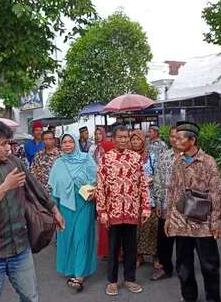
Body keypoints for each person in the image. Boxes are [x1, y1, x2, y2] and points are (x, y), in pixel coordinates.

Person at [0, 120, 66, 302]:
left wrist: (54, 210)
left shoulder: (14, 162)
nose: (8, 148)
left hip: (20, 248)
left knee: (30, 297)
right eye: (3, 144)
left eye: (8, 142)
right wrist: (5, 187)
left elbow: (34, 186)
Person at [165, 123, 221, 302]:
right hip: (181, 222)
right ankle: (189, 297)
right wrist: (169, 218)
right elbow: (173, 190)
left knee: (209, 266)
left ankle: (213, 299)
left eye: (182, 137)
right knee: (183, 266)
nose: (177, 140)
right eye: (176, 137)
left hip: (203, 222)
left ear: (193, 140)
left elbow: (217, 193)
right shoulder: (178, 162)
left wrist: (216, 222)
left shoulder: (208, 162)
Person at [96, 125, 151, 296]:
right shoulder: (106, 159)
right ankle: (112, 281)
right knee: (113, 249)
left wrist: (146, 207)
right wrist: (102, 211)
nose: (123, 140)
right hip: (113, 213)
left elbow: (142, 184)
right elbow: (100, 187)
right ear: (113, 139)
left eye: (126, 137)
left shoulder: (136, 158)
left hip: (132, 211)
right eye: (119, 137)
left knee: (131, 248)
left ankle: (130, 279)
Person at [49, 133, 98, 292]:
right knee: (67, 237)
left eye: (71, 142)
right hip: (65, 206)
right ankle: (70, 267)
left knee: (81, 238)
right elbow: (53, 189)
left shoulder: (86, 159)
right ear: (61, 145)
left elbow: (98, 178)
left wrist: (95, 191)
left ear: (76, 143)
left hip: (84, 203)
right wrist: (55, 211)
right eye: (65, 142)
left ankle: (79, 275)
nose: (68, 145)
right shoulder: (58, 163)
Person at [151, 126, 179, 281]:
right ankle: (165, 268)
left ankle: (184, 268)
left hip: (183, 207)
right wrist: (158, 201)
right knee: (164, 239)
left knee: (183, 241)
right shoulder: (164, 156)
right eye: (172, 136)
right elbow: (158, 179)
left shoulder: (188, 156)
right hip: (165, 204)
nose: (175, 139)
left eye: (178, 136)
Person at [130, 129, 159, 269]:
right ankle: (138, 256)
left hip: (149, 197)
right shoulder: (127, 157)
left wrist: (150, 180)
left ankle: (155, 257)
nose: (135, 142)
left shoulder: (151, 156)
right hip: (133, 200)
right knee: (136, 230)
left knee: (152, 228)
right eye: (133, 140)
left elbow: (157, 174)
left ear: (143, 141)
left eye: (138, 139)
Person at [88, 126, 116, 259]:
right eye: (96, 133)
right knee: (103, 224)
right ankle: (107, 251)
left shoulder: (115, 164)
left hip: (112, 198)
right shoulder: (94, 149)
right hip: (101, 194)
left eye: (100, 133)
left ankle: (115, 251)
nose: (103, 155)